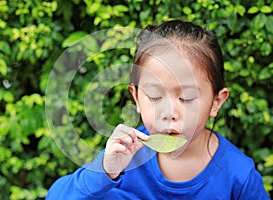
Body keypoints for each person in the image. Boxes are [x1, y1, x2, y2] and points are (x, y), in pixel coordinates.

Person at [46, 20, 270, 199]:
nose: (169, 112)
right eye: (154, 96)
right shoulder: (124, 159)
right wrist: (105, 171)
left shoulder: (238, 176)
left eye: (187, 97)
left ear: (215, 102)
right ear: (136, 97)